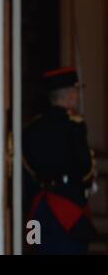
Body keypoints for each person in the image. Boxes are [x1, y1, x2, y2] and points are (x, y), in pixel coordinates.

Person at [23, 67, 97, 254]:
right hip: (70, 206)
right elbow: (85, 166)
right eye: (75, 91)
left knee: (40, 248)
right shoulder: (74, 126)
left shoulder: (33, 127)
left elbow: (27, 167)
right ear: (70, 96)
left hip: (39, 206)